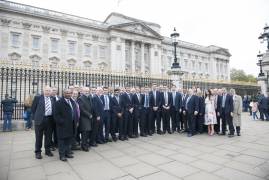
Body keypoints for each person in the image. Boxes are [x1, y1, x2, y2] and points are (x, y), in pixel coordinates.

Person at [54, 88, 79, 161]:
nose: (68, 94)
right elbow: (56, 116)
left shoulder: (72, 102)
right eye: (66, 93)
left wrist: (76, 121)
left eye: (69, 93)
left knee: (69, 140)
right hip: (63, 126)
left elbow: (75, 112)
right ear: (63, 93)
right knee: (62, 141)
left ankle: (67, 152)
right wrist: (62, 122)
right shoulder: (58, 103)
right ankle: (62, 155)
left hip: (71, 125)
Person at [31, 86, 54, 159]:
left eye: (49, 91)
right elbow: (33, 109)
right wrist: (35, 118)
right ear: (43, 91)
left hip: (50, 120)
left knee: (48, 137)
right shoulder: (38, 98)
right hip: (40, 120)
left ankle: (47, 150)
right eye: (46, 90)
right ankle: (38, 152)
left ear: (51, 92)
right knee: (38, 137)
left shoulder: (52, 98)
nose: (47, 92)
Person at [77, 87, 93, 151]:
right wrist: (89, 115)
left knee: (87, 132)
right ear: (82, 91)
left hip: (89, 117)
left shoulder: (89, 97)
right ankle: (84, 146)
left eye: (88, 91)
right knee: (85, 132)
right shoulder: (80, 98)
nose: (87, 92)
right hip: (84, 118)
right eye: (85, 91)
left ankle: (86, 144)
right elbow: (82, 109)